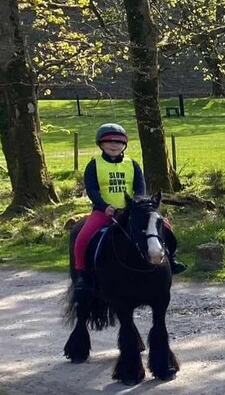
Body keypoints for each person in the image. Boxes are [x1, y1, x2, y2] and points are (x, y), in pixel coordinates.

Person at [74, 123, 186, 290]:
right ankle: (82, 274)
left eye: (119, 142)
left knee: (166, 227)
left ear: (124, 145)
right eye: (109, 141)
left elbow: (140, 188)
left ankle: (171, 259)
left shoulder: (132, 164)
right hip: (104, 212)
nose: (114, 145)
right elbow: (92, 190)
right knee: (82, 238)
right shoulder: (94, 165)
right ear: (101, 144)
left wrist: (138, 206)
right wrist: (104, 207)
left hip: (132, 211)